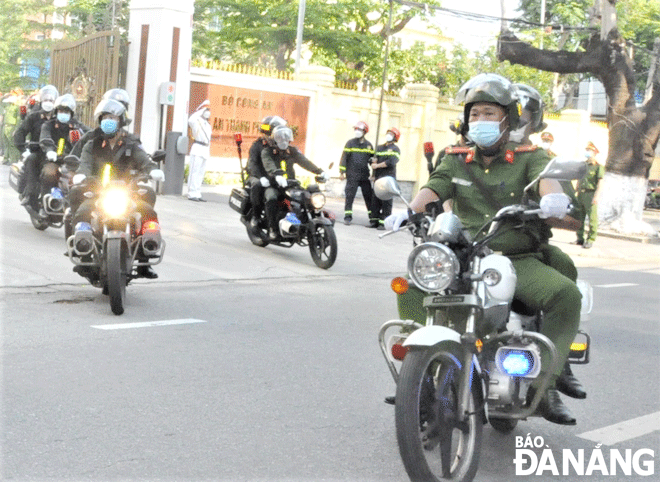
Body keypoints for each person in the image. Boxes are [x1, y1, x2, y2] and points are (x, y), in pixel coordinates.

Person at [385, 75, 582, 425]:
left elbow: (548, 181)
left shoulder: (531, 157)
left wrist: (553, 198)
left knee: (566, 294)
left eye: (488, 113)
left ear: (508, 118)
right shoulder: (455, 157)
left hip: (515, 258)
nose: (479, 121)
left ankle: (545, 385)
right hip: (462, 256)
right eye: (474, 114)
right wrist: (408, 212)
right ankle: (421, 378)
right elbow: (434, 188)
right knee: (412, 285)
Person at [71, 98, 164, 279]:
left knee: (148, 209)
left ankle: (145, 257)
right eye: (105, 117)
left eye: (112, 117)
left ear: (121, 120)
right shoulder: (92, 143)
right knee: (82, 211)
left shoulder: (131, 143)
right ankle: (84, 252)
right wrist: (81, 175)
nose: (108, 121)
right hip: (99, 192)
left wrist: (153, 171)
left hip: (128, 192)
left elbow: (144, 160)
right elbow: (85, 163)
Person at [261, 124, 329, 240]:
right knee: (272, 198)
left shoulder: (292, 151)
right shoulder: (267, 152)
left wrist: (319, 172)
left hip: (291, 184)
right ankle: (272, 228)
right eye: (280, 138)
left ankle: (302, 223)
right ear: (274, 139)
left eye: (286, 137)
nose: (284, 140)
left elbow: (304, 161)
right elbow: (269, 165)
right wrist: (276, 175)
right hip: (273, 184)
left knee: (306, 198)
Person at [36, 94, 89, 213]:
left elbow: (90, 136)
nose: (63, 113)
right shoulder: (49, 125)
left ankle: (76, 209)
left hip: (72, 163)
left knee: (79, 181)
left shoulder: (77, 127)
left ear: (71, 113)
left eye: (66, 111)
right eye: (60, 110)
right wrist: (49, 150)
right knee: (49, 173)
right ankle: (44, 205)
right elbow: (45, 138)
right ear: (56, 111)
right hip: (54, 161)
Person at [13, 84, 59, 212]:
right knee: (32, 162)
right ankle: (30, 194)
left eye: (51, 100)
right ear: (41, 100)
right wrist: (24, 151)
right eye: (46, 100)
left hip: (57, 155)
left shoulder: (60, 118)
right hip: (37, 152)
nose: (48, 102)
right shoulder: (33, 116)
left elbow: (76, 132)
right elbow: (19, 133)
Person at [246, 115, 287, 228]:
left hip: (273, 177)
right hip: (256, 175)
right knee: (257, 185)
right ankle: (256, 216)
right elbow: (252, 164)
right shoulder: (257, 145)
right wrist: (261, 177)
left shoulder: (279, 146)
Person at [339, 121, 375, 225]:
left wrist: (373, 174)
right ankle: (348, 217)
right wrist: (342, 172)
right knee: (349, 196)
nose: (357, 131)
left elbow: (372, 161)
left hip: (364, 176)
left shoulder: (369, 146)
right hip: (352, 175)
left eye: (359, 129)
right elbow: (344, 158)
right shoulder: (350, 143)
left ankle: (372, 218)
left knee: (369, 197)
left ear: (364, 131)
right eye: (356, 129)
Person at [369, 127, 400, 230]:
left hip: (388, 179)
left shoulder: (396, 149)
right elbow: (373, 161)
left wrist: (377, 166)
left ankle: (384, 223)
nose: (388, 135)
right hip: (378, 178)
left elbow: (391, 162)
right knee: (375, 200)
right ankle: (374, 221)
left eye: (391, 134)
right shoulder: (379, 148)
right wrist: (373, 166)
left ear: (395, 137)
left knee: (386, 202)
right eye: (388, 133)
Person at [574, 141, 604, 249]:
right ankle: (580, 238)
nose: (587, 152)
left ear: (595, 152)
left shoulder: (598, 167)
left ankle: (590, 239)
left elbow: (600, 183)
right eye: (586, 150)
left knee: (592, 219)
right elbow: (579, 179)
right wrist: (575, 191)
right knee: (579, 218)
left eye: (589, 151)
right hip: (581, 194)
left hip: (591, 194)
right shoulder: (583, 165)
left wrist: (596, 196)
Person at [186, 100, 212, 202]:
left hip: (205, 149)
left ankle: (197, 192)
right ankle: (191, 193)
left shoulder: (207, 124)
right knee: (194, 172)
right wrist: (200, 110)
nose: (208, 112)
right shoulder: (196, 121)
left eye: (208, 110)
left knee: (200, 173)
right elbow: (191, 120)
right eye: (206, 109)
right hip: (197, 148)